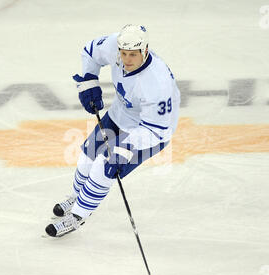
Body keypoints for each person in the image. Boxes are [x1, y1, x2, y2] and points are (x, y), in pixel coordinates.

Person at [45, 24, 180, 237]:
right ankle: (76, 196)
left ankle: (78, 216)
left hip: (149, 133)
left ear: (145, 51)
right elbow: (90, 51)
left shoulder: (157, 83)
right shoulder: (114, 44)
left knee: (103, 167)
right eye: (123, 53)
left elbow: (155, 129)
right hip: (119, 115)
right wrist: (89, 82)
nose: (126, 60)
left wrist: (125, 150)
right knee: (88, 155)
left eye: (133, 55)